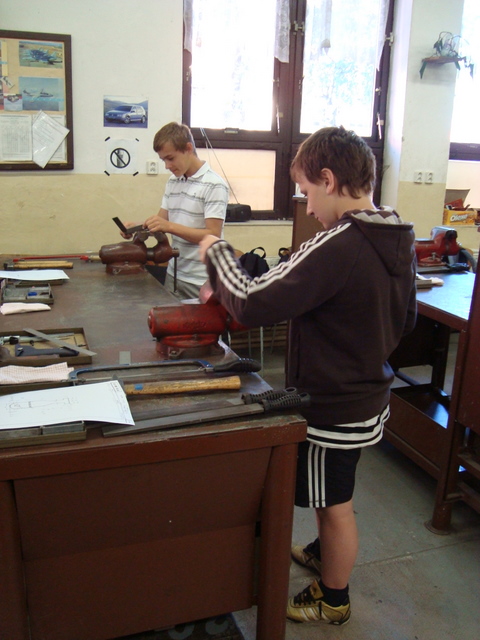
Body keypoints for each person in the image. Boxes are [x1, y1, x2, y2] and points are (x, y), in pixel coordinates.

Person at [199, 126, 417, 626]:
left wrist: (217, 252)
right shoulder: (396, 234)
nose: (308, 206)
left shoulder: (340, 243)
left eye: (306, 191)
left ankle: (332, 598)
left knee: (333, 503)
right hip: (366, 392)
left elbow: (251, 303)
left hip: (332, 404)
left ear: (328, 178)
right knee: (329, 488)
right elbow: (405, 321)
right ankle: (324, 553)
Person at [124, 122, 228, 299]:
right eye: (163, 160)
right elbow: (161, 221)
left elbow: (213, 235)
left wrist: (169, 227)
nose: (167, 165)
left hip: (202, 281)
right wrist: (135, 226)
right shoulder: (173, 181)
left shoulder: (214, 185)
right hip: (174, 274)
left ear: (188, 149)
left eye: (170, 158)